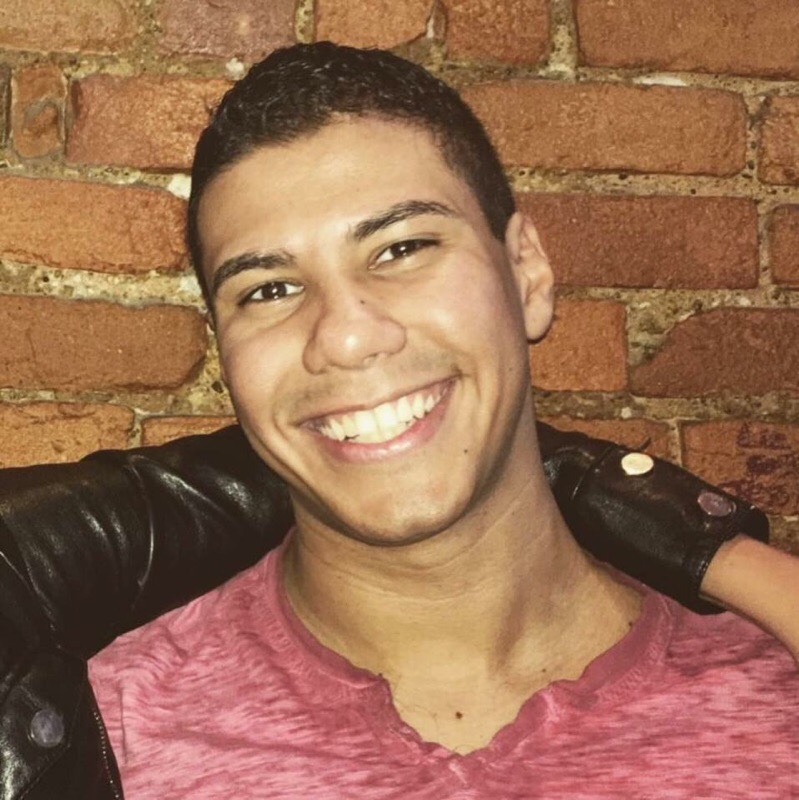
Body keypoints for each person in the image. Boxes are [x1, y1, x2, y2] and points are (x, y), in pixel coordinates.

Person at [1, 42, 796, 799]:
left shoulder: (773, 694)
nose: (345, 336)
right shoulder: (96, 737)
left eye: (401, 248)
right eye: (268, 290)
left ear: (526, 275)